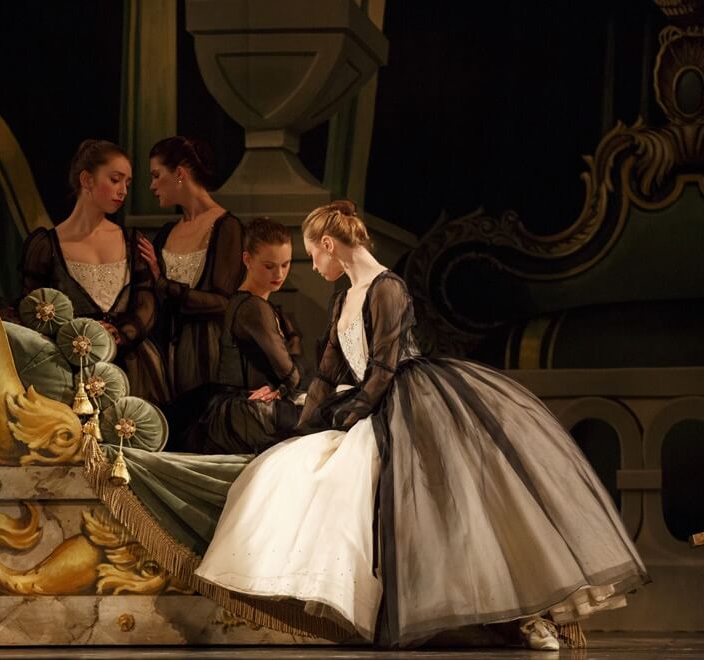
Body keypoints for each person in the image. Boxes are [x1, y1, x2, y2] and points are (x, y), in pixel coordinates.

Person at [194, 200, 648, 649]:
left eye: (313, 254)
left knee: (460, 507)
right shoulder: (343, 298)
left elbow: (384, 367)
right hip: (370, 402)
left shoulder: (386, 287)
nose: (311, 266)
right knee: (296, 467)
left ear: (329, 244)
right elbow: (329, 373)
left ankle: (526, 613)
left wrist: (350, 414)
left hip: (412, 401)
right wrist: (305, 426)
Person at [21, 139, 169, 406]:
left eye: (127, 183)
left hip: (131, 371)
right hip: (69, 371)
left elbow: (146, 303)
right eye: (115, 180)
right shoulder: (45, 246)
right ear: (87, 180)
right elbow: (32, 310)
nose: (123, 191)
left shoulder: (132, 242)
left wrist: (121, 333)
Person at [178, 217, 305, 454]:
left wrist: (279, 387)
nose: (279, 273)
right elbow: (291, 375)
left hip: (244, 406)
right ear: (247, 259)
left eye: (285, 264)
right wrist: (282, 386)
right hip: (242, 413)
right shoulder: (253, 308)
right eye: (269, 266)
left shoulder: (251, 303)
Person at [137, 136, 243, 403]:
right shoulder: (166, 232)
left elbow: (223, 303)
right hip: (165, 361)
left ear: (180, 174)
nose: (152, 185)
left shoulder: (226, 227)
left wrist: (163, 283)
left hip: (206, 361)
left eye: (156, 175)